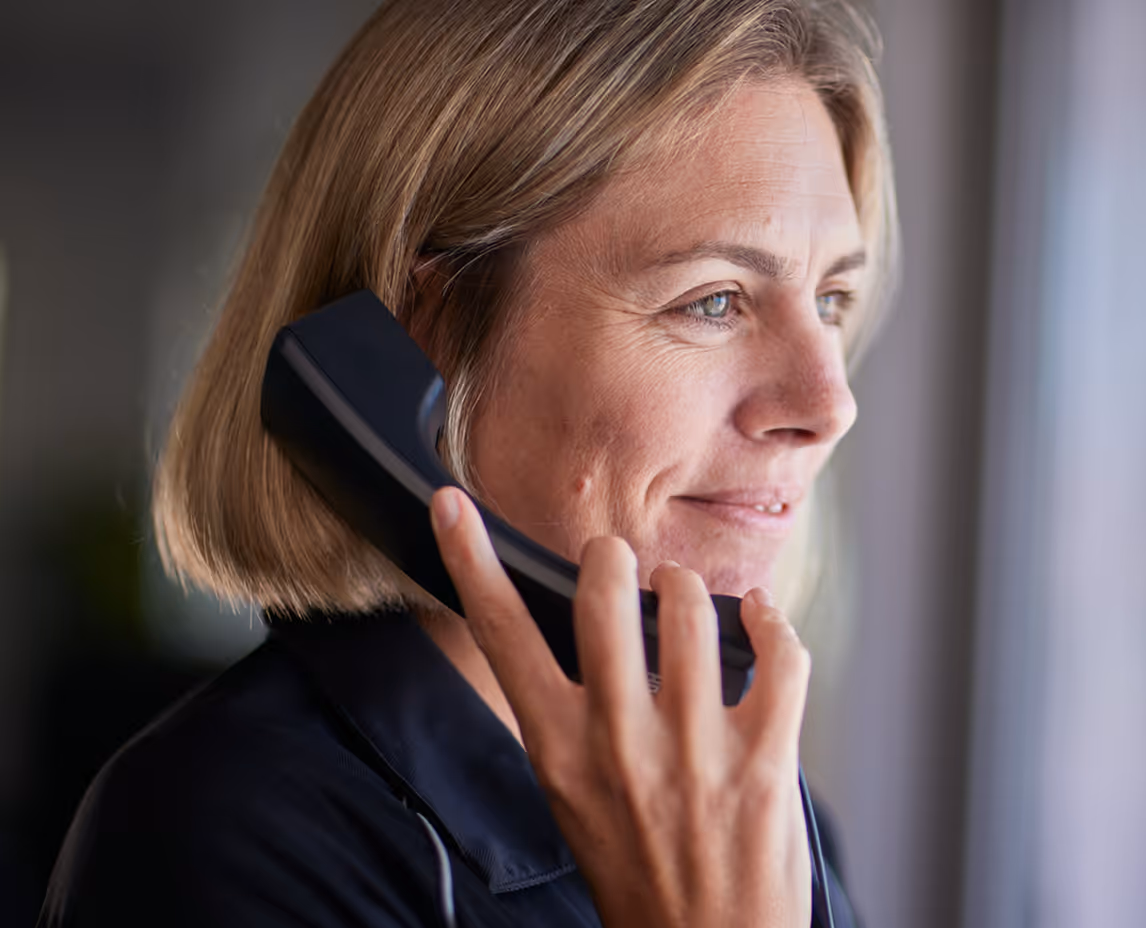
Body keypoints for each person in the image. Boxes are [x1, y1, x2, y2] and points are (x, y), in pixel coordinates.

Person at [38, 0, 896, 924]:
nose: (829, 405)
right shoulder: (223, 837)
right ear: (423, 337)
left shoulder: (768, 824)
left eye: (833, 299)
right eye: (715, 301)